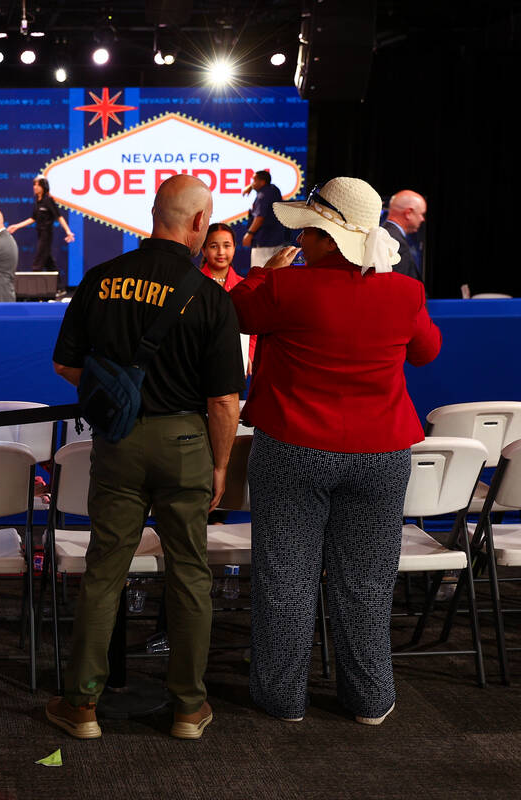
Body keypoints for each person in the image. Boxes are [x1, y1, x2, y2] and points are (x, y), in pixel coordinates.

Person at [229, 177, 441, 726]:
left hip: (294, 447)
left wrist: (263, 271)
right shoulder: (404, 291)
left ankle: (282, 698)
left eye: (308, 230)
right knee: (367, 582)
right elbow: (427, 352)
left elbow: (236, 312)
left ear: (325, 237)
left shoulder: (285, 288)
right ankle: (369, 699)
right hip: (381, 453)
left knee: (286, 578)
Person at [46, 174, 244, 741]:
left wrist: (115, 390)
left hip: (119, 442)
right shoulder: (209, 295)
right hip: (185, 445)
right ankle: (188, 709)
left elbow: (65, 364)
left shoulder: (100, 279)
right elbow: (224, 400)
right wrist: (221, 465)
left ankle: (81, 706)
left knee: (105, 572)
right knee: (189, 574)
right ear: (201, 224)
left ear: (151, 213)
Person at [200, 222, 256, 373]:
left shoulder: (245, 285)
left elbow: (254, 328)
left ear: (234, 248)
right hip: (199, 363)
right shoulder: (193, 284)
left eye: (226, 245)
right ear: (203, 250)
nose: (221, 252)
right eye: (213, 246)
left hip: (235, 364)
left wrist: (249, 354)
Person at [6, 177, 75, 279]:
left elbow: (58, 216)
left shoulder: (48, 200)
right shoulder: (37, 201)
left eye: (38, 185)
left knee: (38, 263)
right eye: (34, 185)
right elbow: (33, 218)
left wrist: (68, 231)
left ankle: (34, 289)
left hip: (46, 235)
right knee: (49, 262)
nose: (35, 187)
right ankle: (59, 287)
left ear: (43, 187)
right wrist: (17, 226)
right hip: (40, 234)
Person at [241, 170, 293, 267]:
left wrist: (249, 234)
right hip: (277, 240)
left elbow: (260, 217)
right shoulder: (274, 189)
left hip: (263, 242)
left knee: (259, 274)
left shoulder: (262, 195)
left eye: (254, 181)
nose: (252, 183)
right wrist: (251, 187)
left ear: (262, 182)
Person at [382, 190, 426, 282]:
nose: (423, 219)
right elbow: (397, 287)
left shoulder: (385, 235)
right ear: (408, 213)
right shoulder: (395, 242)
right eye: (421, 214)